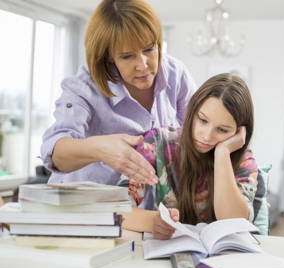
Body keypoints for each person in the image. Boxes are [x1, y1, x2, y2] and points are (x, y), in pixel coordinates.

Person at [40, 0, 196, 186]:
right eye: (127, 56)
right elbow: (55, 152)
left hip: (150, 205)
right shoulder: (84, 87)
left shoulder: (175, 74)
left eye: (149, 49)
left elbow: (199, 130)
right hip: (85, 204)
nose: (143, 65)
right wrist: (99, 149)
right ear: (108, 56)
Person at [121, 73, 258, 240]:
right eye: (202, 120)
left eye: (222, 130)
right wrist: (152, 222)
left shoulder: (244, 161)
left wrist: (222, 154)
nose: (207, 136)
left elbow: (233, 222)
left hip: (225, 257)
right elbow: (117, 207)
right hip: (171, 251)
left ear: (239, 132)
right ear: (192, 111)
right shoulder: (158, 143)